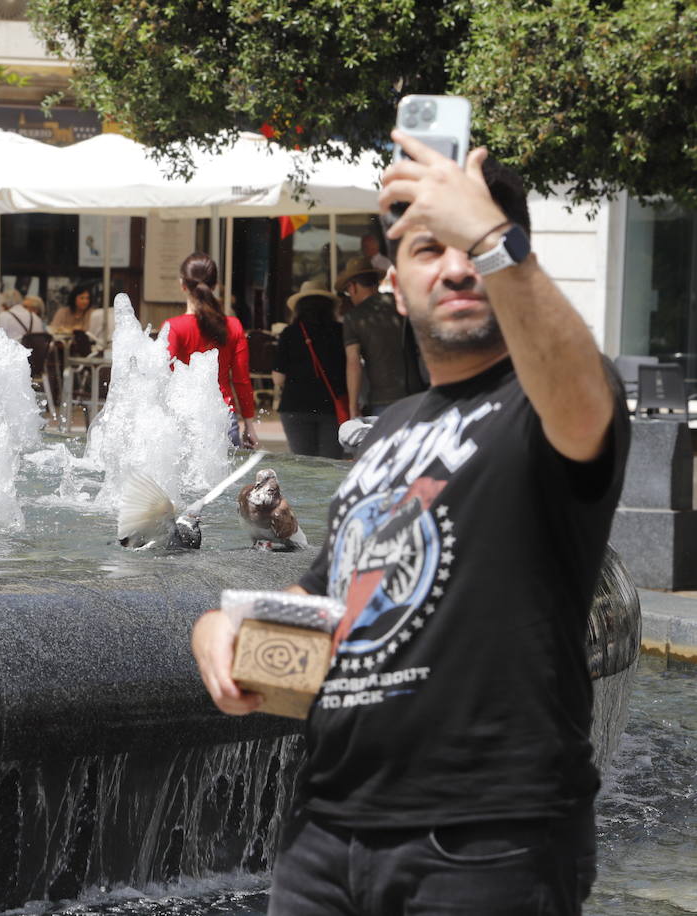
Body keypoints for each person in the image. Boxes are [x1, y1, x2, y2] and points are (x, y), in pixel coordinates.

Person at [191, 132, 630, 915]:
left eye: (478, 244)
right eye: (430, 248)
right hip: (324, 836)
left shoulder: (548, 401)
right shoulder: (390, 431)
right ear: (395, 287)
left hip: (486, 839)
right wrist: (224, 632)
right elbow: (337, 595)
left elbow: (581, 393)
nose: (458, 267)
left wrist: (489, 231)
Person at [162, 252, 259, 449]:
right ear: (214, 286)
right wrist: (249, 424)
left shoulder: (173, 328)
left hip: (182, 419)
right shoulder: (233, 326)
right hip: (223, 417)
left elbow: (164, 377)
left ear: (182, 285)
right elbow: (241, 379)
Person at [338, 256, 426, 418]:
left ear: (352, 287)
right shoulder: (400, 304)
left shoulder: (353, 318)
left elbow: (353, 363)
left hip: (382, 399)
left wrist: (353, 406)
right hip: (416, 393)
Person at [273, 280, 347, 458]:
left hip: (295, 406)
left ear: (299, 307)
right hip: (332, 407)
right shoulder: (341, 332)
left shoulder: (289, 333)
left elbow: (278, 378)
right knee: (330, 465)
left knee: (303, 464)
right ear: (329, 306)